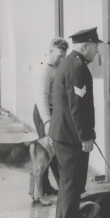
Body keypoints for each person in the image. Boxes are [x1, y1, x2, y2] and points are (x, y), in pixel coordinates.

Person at [48, 27, 101, 218]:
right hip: (71, 137)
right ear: (86, 46)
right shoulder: (77, 67)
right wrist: (85, 136)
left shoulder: (70, 63)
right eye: (96, 47)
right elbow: (77, 107)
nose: (97, 52)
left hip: (63, 134)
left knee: (66, 182)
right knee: (73, 183)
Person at [32, 38, 69, 196]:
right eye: (59, 55)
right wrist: (47, 121)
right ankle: (61, 187)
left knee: (49, 150)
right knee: (47, 151)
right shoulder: (43, 69)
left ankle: (46, 186)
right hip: (45, 112)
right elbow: (41, 98)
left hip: (56, 112)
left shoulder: (56, 66)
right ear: (50, 51)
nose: (62, 59)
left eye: (64, 56)